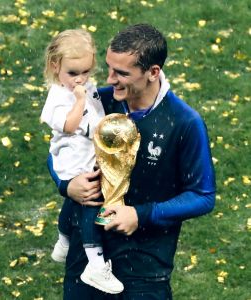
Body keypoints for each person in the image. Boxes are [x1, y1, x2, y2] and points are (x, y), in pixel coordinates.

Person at [47, 24, 216, 299]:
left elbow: (203, 196)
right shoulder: (99, 102)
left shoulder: (184, 123)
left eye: (122, 73)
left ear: (153, 72)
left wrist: (141, 214)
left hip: (144, 269)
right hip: (87, 259)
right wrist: (66, 185)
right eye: (108, 68)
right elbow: (58, 152)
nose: (110, 79)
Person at [41, 29, 124, 294]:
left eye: (86, 72)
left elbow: (95, 117)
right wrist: (79, 99)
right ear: (56, 66)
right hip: (74, 160)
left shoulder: (85, 87)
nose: (81, 79)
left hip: (86, 152)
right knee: (91, 203)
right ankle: (95, 263)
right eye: (73, 73)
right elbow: (69, 124)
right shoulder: (58, 97)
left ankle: (64, 240)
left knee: (73, 204)